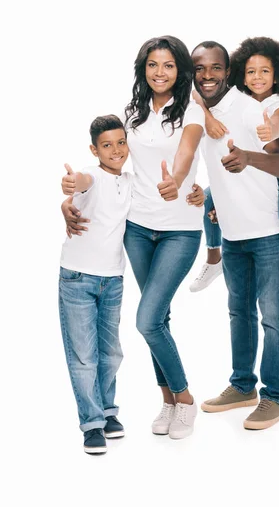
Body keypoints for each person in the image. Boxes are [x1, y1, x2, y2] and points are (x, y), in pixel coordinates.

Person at [62, 36, 205, 440]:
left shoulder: (192, 110)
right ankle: (168, 402)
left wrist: (178, 183)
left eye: (169, 65)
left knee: (147, 319)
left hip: (179, 230)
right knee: (159, 319)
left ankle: (186, 399)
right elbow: (110, 157)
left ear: (180, 71)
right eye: (153, 65)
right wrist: (71, 196)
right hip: (138, 228)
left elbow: (188, 152)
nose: (160, 72)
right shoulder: (132, 112)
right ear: (144, 69)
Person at [191, 41, 279, 430]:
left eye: (216, 68)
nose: (207, 75)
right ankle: (242, 386)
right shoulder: (197, 113)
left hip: (269, 232)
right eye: (199, 68)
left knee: (273, 319)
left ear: (228, 71)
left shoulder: (250, 108)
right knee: (239, 314)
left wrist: (249, 157)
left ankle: (274, 398)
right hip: (233, 235)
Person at [190, 37, 279, 333]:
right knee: (211, 199)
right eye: (251, 72)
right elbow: (198, 97)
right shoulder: (238, 101)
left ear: (277, 75)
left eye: (264, 71)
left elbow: (278, 119)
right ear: (240, 75)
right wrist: (208, 116)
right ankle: (213, 258)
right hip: (264, 178)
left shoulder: (277, 103)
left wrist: (270, 128)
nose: (257, 78)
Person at [59, 115, 131, 455]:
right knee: (84, 357)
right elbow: (83, 181)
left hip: (113, 278)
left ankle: (107, 410)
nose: (115, 150)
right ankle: (91, 423)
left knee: (111, 352)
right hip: (78, 277)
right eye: (107, 145)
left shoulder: (130, 180)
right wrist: (71, 186)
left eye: (121, 142)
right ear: (94, 149)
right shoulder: (93, 176)